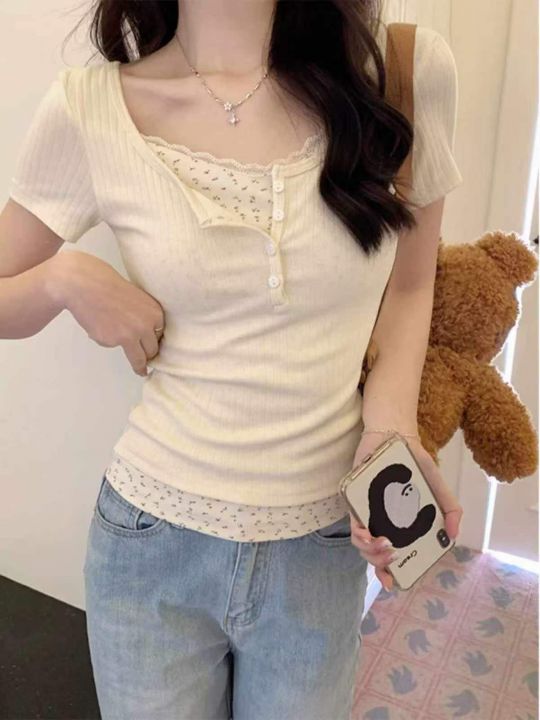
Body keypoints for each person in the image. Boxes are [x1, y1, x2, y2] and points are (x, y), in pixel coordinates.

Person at [1, 0, 463, 717]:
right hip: (149, 546)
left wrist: (389, 426)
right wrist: (66, 280)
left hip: (321, 546)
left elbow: (410, 282)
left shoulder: (401, 73)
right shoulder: (91, 109)